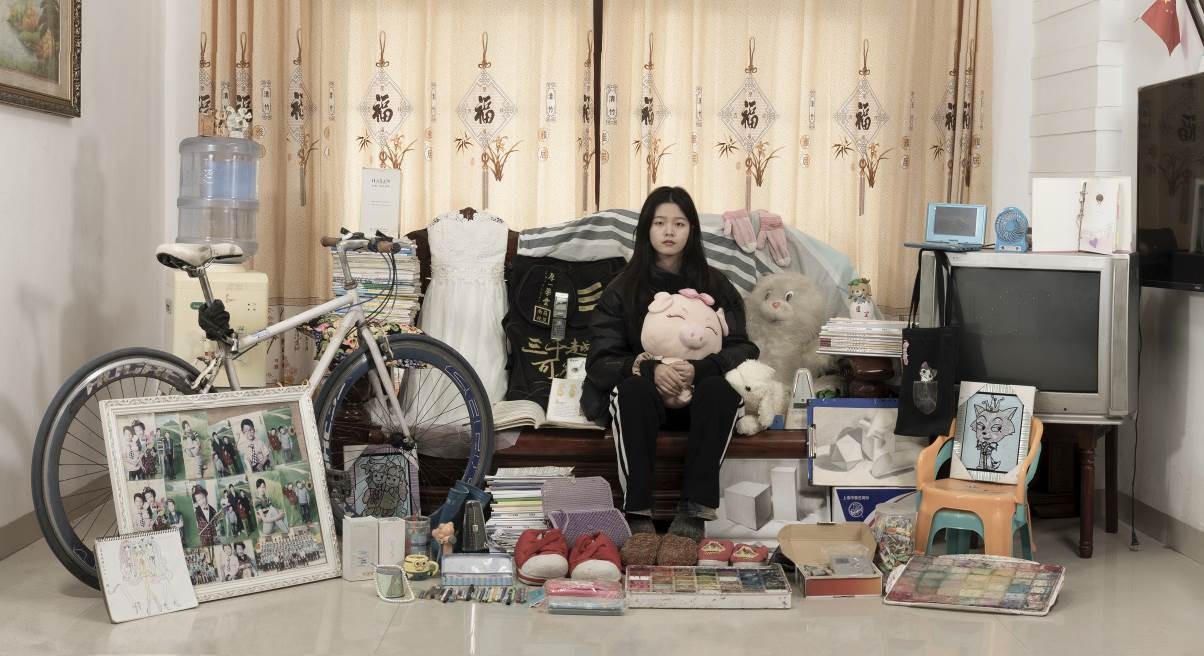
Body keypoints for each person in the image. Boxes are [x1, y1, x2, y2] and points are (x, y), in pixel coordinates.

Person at [582, 186, 758, 546]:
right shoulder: (623, 288)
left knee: (721, 390)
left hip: (700, 399)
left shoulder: (715, 284)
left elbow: (743, 347)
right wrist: (649, 369)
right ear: (646, 229)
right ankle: (638, 512)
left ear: (691, 230)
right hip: (645, 401)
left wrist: (701, 369)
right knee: (631, 391)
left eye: (679, 223)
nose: (669, 232)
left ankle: (695, 511)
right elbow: (600, 360)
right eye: (660, 222)